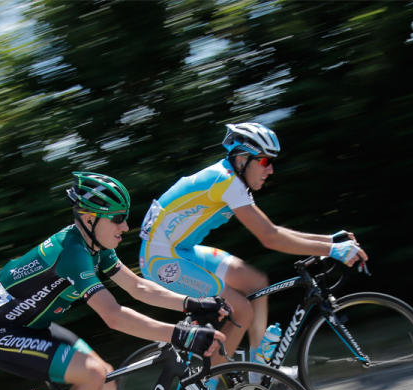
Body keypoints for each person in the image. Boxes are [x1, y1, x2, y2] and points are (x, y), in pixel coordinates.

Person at [0, 171, 228, 390]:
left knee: (105, 376)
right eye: (118, 219)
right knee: (93, 374)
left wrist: (192, 303)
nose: (126, 226)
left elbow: (137, 287)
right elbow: (113, 315)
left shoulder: (96, 245)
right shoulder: (73, 254)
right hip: (3, 336)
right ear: (88, 218)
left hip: (32, 327)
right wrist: (181, 334)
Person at [138, 121, 369, 367]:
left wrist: (330, 241)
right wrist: (332, 249)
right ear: (242, 159)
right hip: (161, 260)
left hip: (180, 251)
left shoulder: (233, 180)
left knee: (255, 282)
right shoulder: (226, 181)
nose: (270, 170)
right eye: (265, 161)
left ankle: (259, 367)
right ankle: (208, 388)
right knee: (242, 309)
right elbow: (270, 237)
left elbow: (274, 231)